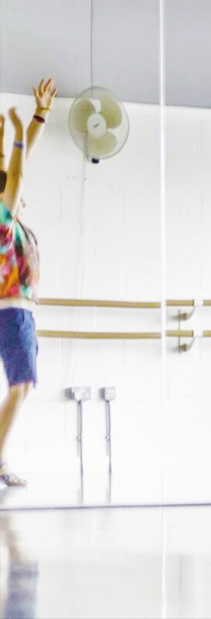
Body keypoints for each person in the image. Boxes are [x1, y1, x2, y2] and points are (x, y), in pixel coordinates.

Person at [0, 80, 55, 489]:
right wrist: (19, 132)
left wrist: (39, 117)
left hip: (17, 312)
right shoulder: (3, 224)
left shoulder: (10, 222)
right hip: (13, 312)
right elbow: (17, 173)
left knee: (23, 385)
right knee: (22, 385)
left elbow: (19, 166)